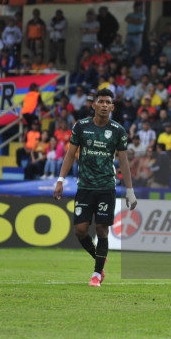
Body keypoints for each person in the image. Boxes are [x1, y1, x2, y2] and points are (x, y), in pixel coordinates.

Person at [53, 88, 137, 287]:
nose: (105, 105)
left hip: (107, 186)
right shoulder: (81, 126)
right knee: (80, 231)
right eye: (101, 101)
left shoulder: (118, 131)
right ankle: (99, 257)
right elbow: (71, 154)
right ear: (94, 105)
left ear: (113, 107)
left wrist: (130, 190)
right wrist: (60, 180)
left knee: (102, 229)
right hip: (85, 186)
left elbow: (124, 162)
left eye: (108, 102)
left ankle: (97, 275)